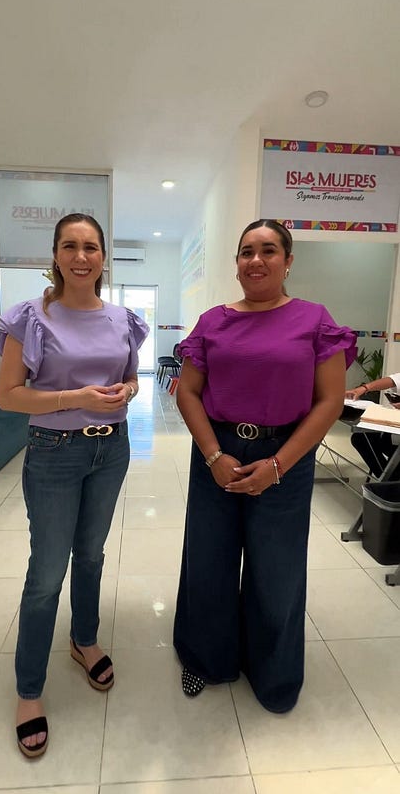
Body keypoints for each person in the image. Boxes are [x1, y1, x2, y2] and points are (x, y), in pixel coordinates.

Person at [173, 219, 356, 713]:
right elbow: (187, 392)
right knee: (209, 562)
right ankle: (206, 658)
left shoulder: (315, 321)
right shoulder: (213, 322)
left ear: (288, 261)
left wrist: (278, 465)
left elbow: (329, 400)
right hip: (218, 452)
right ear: (236, 264)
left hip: (286, 456)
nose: (256, 260)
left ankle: (273, 672)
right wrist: (214, 456)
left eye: (269, 250)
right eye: (246, 251)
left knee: (276, 571)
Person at [0, 213, 149, 757]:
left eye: (90, 247)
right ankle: (29, 690)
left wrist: (126, 392)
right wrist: (75, 398)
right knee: (46, 572)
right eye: (69, 246)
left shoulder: (123, 318)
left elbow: (131, 377)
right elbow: (8, 396)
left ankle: (84, 640)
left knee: (91, 554)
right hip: (54, 453)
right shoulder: (31, 317)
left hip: (112, 449)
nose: (81, 257)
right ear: (56, 255)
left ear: (103, 256)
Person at [346, 375, 400, 478]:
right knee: (360, 438)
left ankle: (388, 481)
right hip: (394, 430)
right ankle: (387, 479)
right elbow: (394, 380)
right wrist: (364, 388)